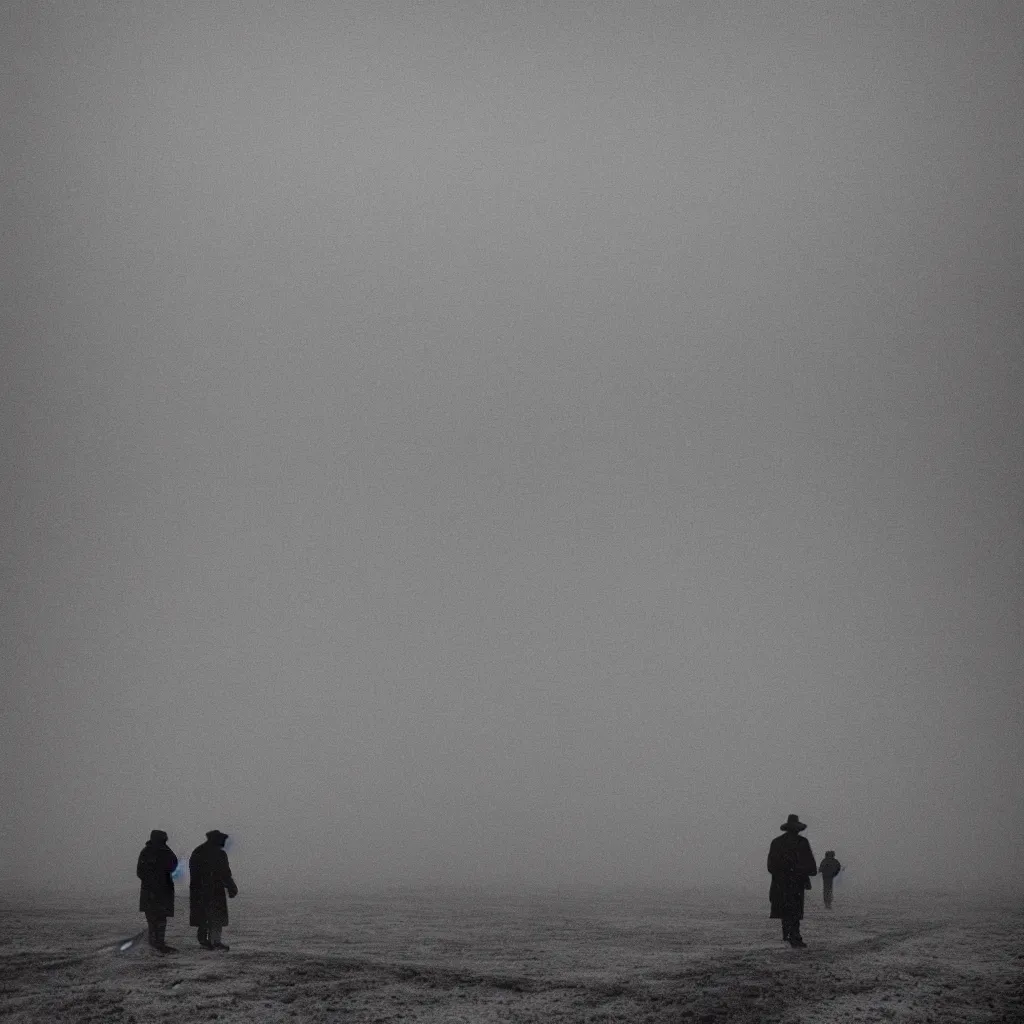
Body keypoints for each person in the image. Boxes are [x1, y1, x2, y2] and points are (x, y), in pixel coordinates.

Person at [767, 814, 817, 947]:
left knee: (785, 909)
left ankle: (789, 934)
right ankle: (794, 935)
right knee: (794, 910)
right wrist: (800, 871)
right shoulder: (802, 843)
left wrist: (783, 872)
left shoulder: (776, 842)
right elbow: (811, 866)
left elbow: (771, 866)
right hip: (796, 883)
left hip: (781, 883)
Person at [189, 830, 238, 950]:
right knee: (216, 917)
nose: (224, 842)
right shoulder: (219, 854)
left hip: (200, 890)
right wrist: (231, 887)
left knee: (204, 917)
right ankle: (215, 942)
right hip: (215, 890)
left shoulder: (198, 851)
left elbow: (194, 871)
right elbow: (225, 873)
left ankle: (204, 941)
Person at [136, 829, 178, 953]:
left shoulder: (146, 852)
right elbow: (173, 865)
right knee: (160, 918)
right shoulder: (166, 852)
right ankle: (159, 942)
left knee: (152, 918)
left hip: (150, 891)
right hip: (163, 891)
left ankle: (154, 942)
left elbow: (140, 872)